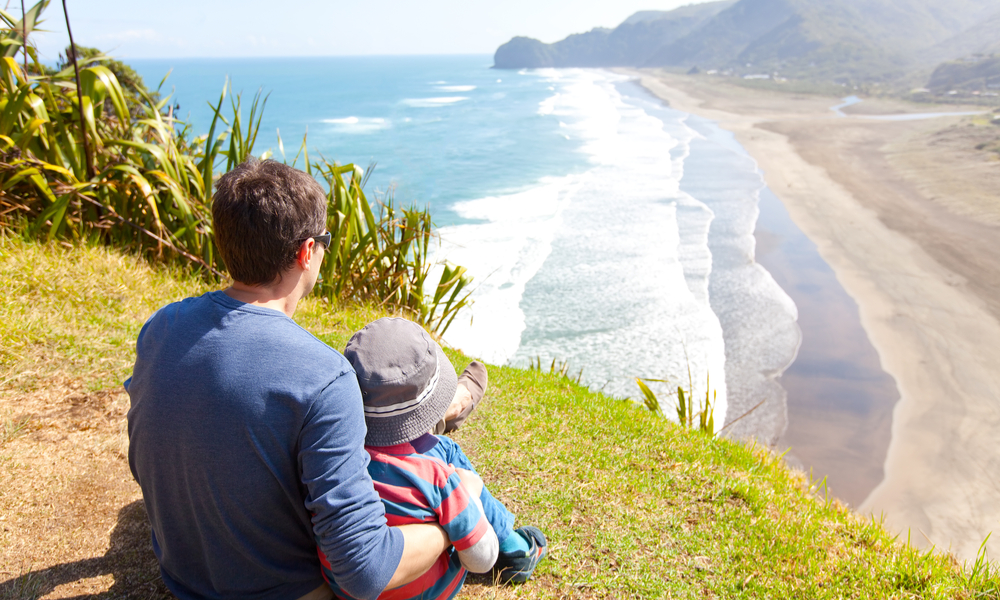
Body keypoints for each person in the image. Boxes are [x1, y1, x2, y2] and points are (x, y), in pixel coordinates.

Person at [125, 158, 450, 600]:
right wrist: (448, 528)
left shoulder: (162, 327)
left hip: (184, 578)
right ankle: (443, 423)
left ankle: (447, 413)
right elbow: (364, 570)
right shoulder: (324, 376)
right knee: (436, 470)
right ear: (306, 252)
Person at [323, 317, 547, 600]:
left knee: (431, 446)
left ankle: (443, 416)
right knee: (444, 450)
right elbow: (482, 559)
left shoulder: (330, 460)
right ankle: (515, 548)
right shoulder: (438, 476)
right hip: (426, 591)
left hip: (343, 591)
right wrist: (471, 497)